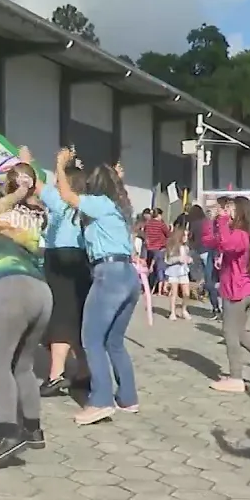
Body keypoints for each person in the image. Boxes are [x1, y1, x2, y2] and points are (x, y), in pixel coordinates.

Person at [51, 149, 139, 426]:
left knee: (91, 340)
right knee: (114, 341)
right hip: (128, 275)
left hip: (108, 274)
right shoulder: (120, 209)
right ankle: (127, 397)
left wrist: (60, 165)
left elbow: (67, 196)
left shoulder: (100, 203)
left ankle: (101, 401)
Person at [0, 171, 52, 469]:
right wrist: (27, 192)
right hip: (41, 293)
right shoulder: (37, 215)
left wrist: (17, 192)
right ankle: (33, 429)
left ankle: (9, 433)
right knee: (23, 365)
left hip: (11, 288)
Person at [201, 196, 250, 393]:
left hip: (238, 291)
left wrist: (221, 221)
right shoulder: (232, 232)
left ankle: (236, 378)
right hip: (238, 289)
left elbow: (228, 244)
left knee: (230, 333)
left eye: (230, 208)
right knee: (240, 332)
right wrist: (211, 221)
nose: (225, 211)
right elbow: (208, 241)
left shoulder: (242, 235)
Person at [37, 153, 92, 398]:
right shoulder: (88, 205)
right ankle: (84, 371)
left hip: (58, 257)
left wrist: (34, 162)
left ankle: (55, 374)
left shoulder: (59, 202)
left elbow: (36, 184)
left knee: (60, 315)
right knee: (79, 315)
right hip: (83, 260)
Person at [189, 202, 223, 318]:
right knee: (211, 282)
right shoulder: (208, 224)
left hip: (208, 252)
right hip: (209, 253)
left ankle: (217, 308)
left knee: (211, 282)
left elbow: (193, 237)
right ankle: (217, 308)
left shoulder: (214, 224)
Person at [163, 222, 193, 320]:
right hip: (173, 272)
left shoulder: (186, 248)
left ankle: (184, 309)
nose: (186, 237)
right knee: (174, 293)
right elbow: (167, 260)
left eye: (187, 236)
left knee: (186, 293)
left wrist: (189, 260)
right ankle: (172, 312)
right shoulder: (172, 247)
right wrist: (178, 259)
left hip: (183, 271)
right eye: (184, 235)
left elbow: (187, 258)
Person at [142, 208, 169, 293]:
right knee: (159, 269)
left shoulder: (148, 224)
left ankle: (148, 287)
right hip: (159, 248)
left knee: (150, 269)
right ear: (159, 215)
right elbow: (168, 234)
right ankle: (157, 289)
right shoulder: (161, 224)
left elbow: (145, 233)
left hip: (149, 249)